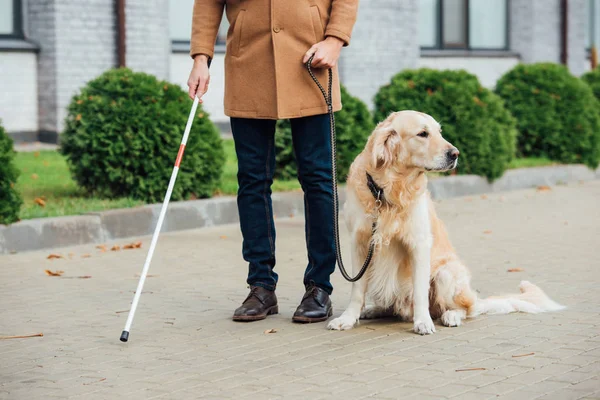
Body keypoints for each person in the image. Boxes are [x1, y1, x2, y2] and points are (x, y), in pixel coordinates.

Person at [187, 0, 358, 323]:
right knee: (252, 180)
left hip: (310, 62)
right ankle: (261, 286)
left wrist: (335, 39)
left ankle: (319, 287)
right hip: (248, 63)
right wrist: (200, 58)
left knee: (318, 178)